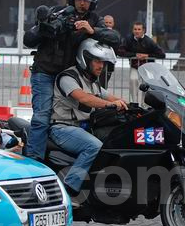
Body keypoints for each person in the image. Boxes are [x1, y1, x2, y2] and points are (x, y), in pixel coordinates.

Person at [22, 0, 110, 162]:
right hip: (45, 73)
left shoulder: (94, 19)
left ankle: (65, 157)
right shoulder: (58, 12)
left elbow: (115, 38)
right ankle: (35, 161)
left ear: (93, 0)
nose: (82, 3)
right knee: (42, 117)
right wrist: (47, 25)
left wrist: (92, 30)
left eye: (86, 0)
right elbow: (28, 39)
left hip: (69, 76)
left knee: (74, 117)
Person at [50, 39, 127, 203]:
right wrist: (111, 105)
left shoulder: (92, 82)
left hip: (82, 129)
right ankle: (69, 190)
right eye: (97, 61)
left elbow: (110, 96)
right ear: (85, 59)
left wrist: (133, 106)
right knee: (94, 146)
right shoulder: (68, 77)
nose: (101, 66)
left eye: (103, 62)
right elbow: (85, 99)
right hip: (62, 129)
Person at [119, 22, 166, 104]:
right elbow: (120, 51)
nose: (137, 31)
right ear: (132, 30)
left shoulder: (149, 41)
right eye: (135, 29)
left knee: (146, 85)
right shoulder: (128, 39)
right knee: (133, 80)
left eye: (139, 29)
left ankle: (144, 104)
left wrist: (147, 55)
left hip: (147, 67)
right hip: (134, 66)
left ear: (143, 30)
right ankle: (133, 102)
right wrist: (134, 55)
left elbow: (162, 54)